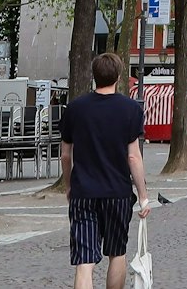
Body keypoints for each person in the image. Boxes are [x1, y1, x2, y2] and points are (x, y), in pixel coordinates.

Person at [59, 53, 149, 289]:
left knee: (84, 262)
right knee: (116, 253)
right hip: (117, 192)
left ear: (94, 76)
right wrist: (143, 196)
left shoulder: (75, 109)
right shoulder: (130, 109)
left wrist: (69, 185)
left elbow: (66, 154)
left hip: (83, 192)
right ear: (118, 77)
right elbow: (133, 156)